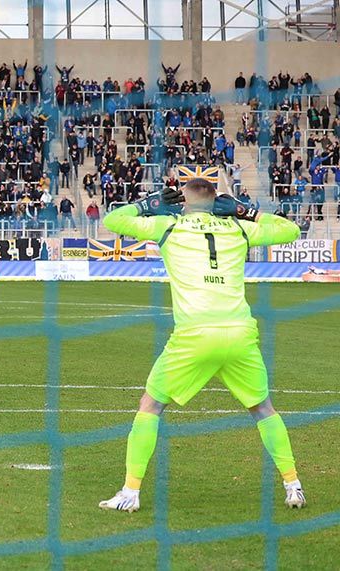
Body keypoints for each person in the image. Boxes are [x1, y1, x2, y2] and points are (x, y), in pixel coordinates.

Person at [98, 179, 305, 512]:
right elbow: (290, 230)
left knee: (150, 406)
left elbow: (112, 221)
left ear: (184, 201)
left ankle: (130, 493)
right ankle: (293, 485)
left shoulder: (169, 225)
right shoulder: (238, 229)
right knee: (263, 409)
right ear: (216, 201)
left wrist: (145, 204)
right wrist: (246, 211)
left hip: (194, 334)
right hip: (240, 333)